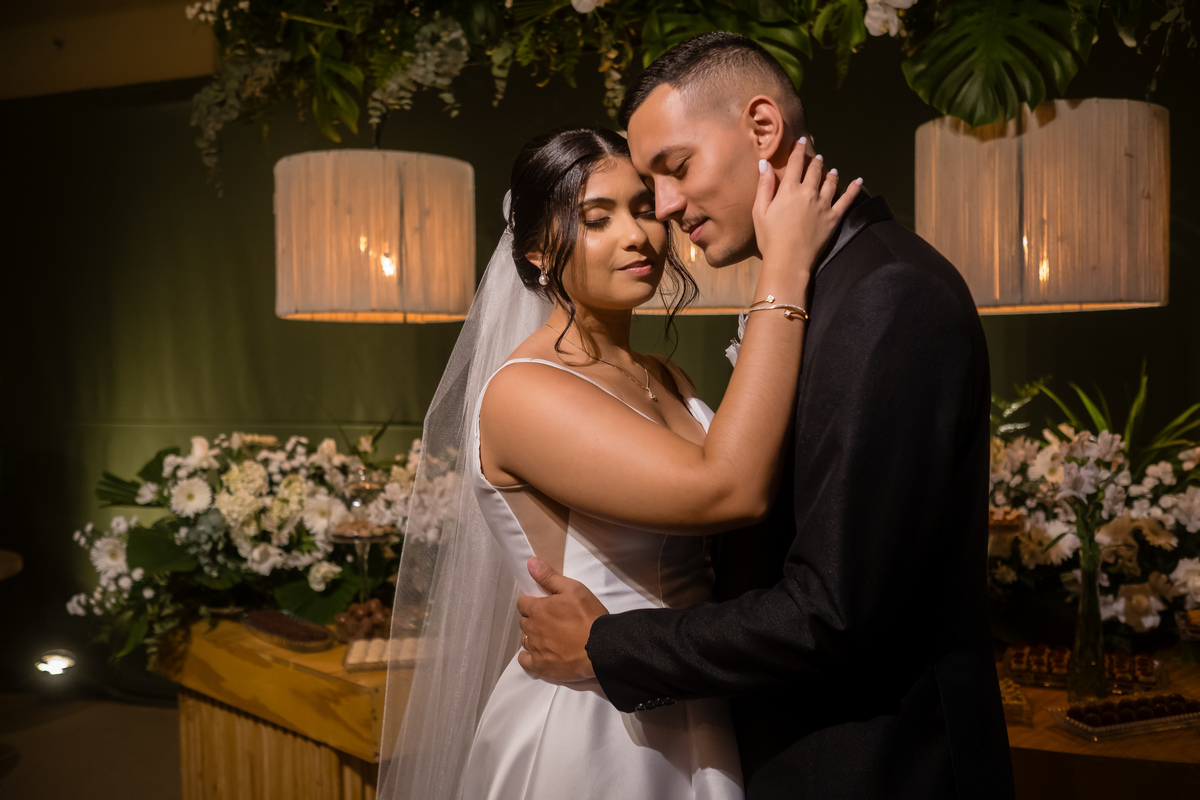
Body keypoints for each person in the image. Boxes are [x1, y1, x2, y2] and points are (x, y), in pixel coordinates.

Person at [515, 33, 1015, 799]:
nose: (667, 213)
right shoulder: (831, 289)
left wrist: (606, 645)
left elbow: (833, 612)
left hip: (872, 767)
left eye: (673, 173)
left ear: (762, 130)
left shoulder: (886, 296)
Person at [376, 123, 857, 799]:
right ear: (540, 250)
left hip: (691, 687)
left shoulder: (667, 375)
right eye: (597, 219)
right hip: (594, 724)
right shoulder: (526, 392)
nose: (639, 236)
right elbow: (728, 490)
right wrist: (783, 268)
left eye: (642, 209)